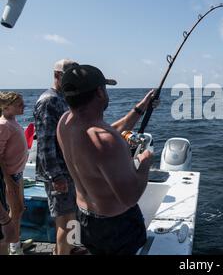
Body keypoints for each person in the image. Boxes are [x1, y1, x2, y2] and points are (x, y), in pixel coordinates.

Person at [57, 65, 157, 255]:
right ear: (100, 92)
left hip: (85, 218)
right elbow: (130, 197)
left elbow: (106, 134)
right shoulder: (106, 141)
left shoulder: (65, 123)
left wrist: (141, 107)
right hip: (115, 225)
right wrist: (145, 162)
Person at [33, 59, 82, 255]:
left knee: (73, 218)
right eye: (70, 78)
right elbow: (45, 143)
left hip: (71, 171)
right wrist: (56, 176)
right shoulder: (49, 101)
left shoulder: (64, 98)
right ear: (57, 76)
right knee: (66, 219)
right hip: (60, 173)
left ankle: (69, 249)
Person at [0, 92, 28, 255]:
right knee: (15, 210)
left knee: (19, 209)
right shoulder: (3, 125)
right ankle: (13, 247)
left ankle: (15, 241)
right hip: (10, 176)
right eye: (19, 104)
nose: (24, 106)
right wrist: (8, 180)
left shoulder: (13, 121)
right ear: (6, 107)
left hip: (18, 173)